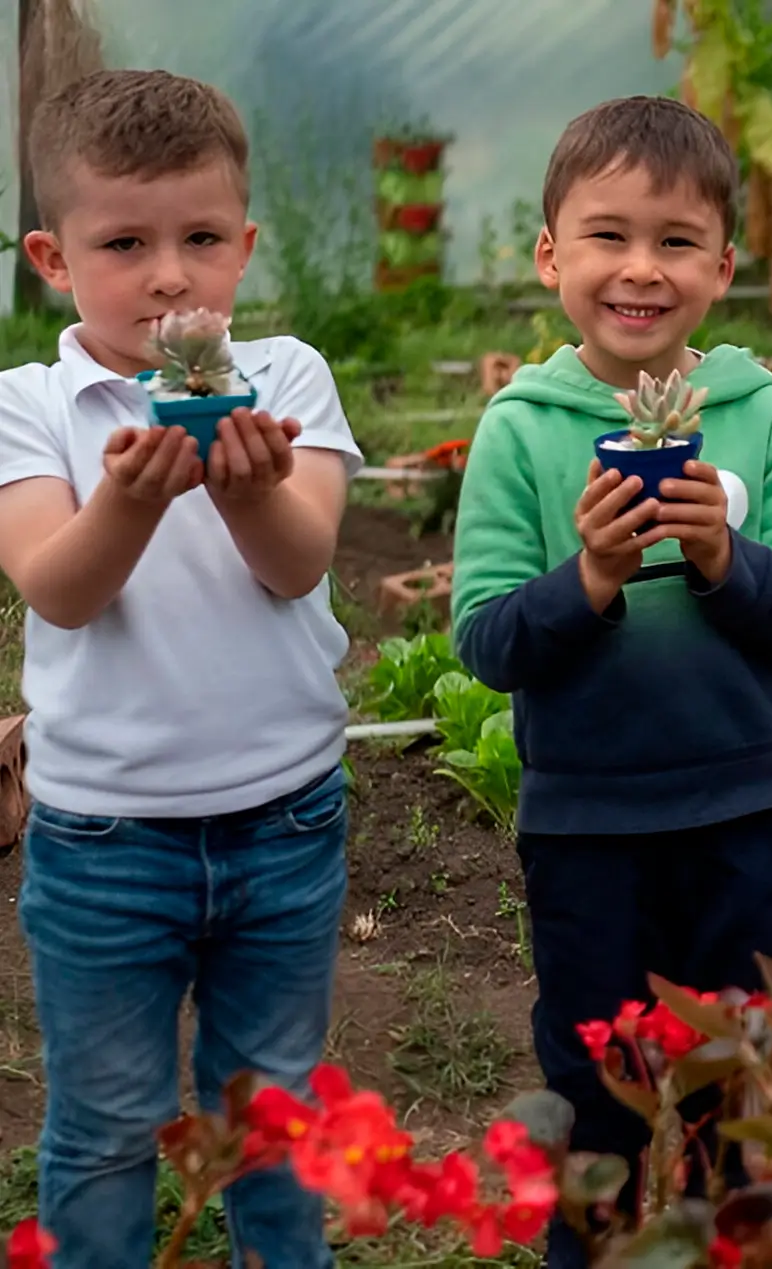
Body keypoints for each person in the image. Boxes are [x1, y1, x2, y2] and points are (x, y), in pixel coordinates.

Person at [451, 95, 772, 1268]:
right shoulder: (519, 430)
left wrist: (722, 558)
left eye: (675, 242)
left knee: (741, 1078)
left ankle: (735, 1247)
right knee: (597, 1081)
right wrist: (594, 576)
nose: (640, 269)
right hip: (586, 826)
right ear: (550, 256)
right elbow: (486, 639)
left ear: (725, 265)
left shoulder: (760, 419)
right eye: (607, 236)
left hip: (743, 812)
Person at [0, 67, 362, 1267]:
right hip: (106, 842)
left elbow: (297, 565)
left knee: (271, 1111)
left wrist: (251, 484)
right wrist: (133, 497)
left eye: (201, 238)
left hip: (285, 822)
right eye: (126, 243)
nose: (169, 275)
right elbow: (59, 584)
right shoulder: (32, 406)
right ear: (52, 258)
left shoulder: (291, 378)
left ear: (245, 246)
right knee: (105, 1121)